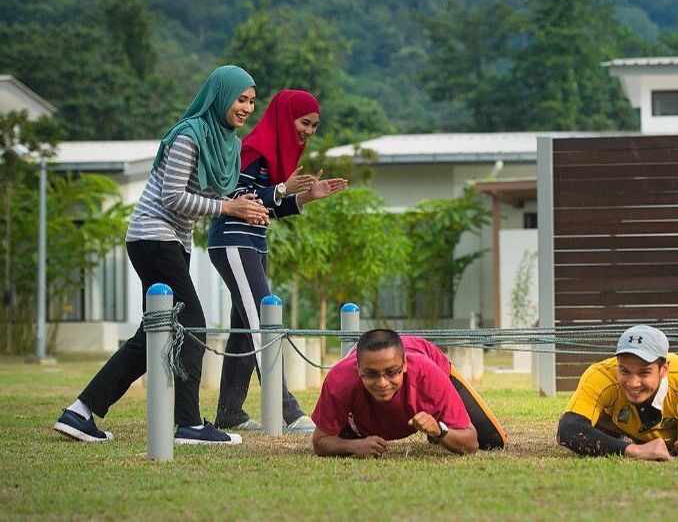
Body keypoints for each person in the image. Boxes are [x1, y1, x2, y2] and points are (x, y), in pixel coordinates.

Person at [53, 65, 269, 445]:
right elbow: (172, 197)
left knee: (155, 332)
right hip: (153, 236)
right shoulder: (189, 137)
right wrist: (228, 209)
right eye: (241, 99)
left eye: (252, 101)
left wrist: (240, 203)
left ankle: (80, 412)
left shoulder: (227, 142)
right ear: (220, 96)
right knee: (192, 322)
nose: (248, 107)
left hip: (173, 240)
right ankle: (188, 424)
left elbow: (203, 197)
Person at [207, 89, 347, 434]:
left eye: (314, 125)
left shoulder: (273, 153)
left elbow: (267, 205)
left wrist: (305, 196)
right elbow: (238, 196)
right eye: (305, 123)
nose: (309, 131)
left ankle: (230, 414)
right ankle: (288, 412)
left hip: (254, 244)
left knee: (244, 329)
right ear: (286, 118)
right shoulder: (253, 149)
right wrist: (282, 189)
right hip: (232, 243)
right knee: (263, 324)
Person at [310, 329, 507, 458]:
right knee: (343, 439)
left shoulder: (429, 375)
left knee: (493, 442)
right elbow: (320, 442)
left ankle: (437, 424)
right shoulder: (340, 380)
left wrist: (440, 430)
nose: (382, 383)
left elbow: (471, 442)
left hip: (432, 367)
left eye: (391, 372)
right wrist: (354, 447)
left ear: (404, 365)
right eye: (371, 374)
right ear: (358, 368)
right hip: (364, 408)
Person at [557, 325, 678, 461]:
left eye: (644, 373)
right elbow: (568, 429)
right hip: (618, 424)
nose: (633, 383)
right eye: (624, 370)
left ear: (664, 369)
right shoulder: (601, 375)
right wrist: (633, 450)